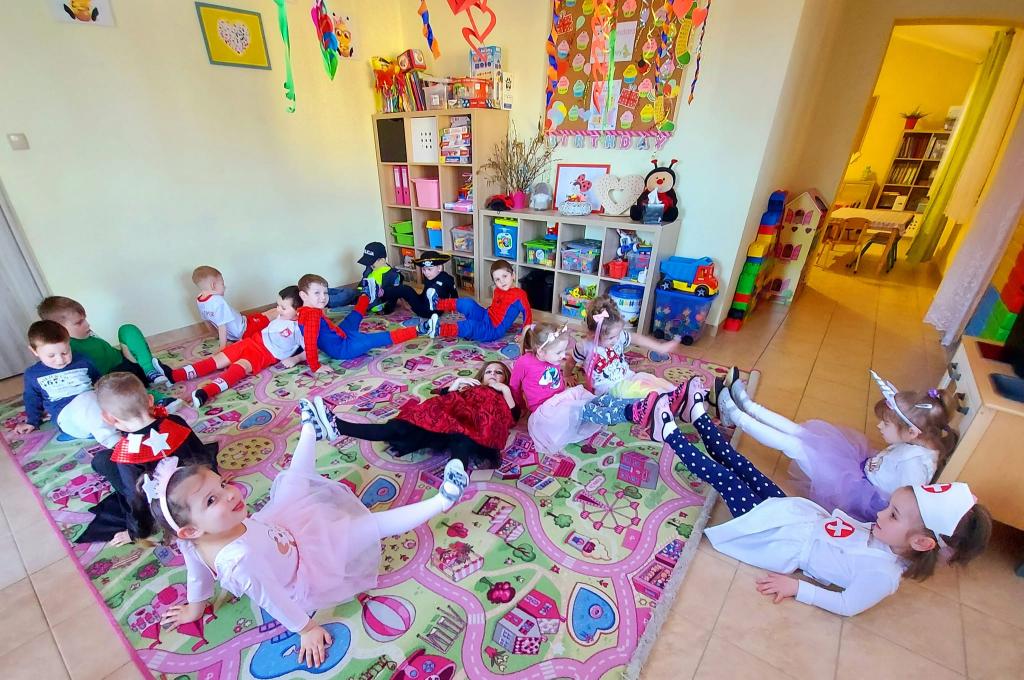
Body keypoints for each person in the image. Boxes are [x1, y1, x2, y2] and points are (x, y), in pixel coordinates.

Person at [154, 398, 470, 669]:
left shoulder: (194, 539)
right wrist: (306, 629)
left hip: (280, 526)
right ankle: (442, 501)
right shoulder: (240, 561)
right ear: (191, 530)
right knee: (369, 527)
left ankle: (311, 429)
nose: (231, 494)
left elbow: (197, 576)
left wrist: (195, 608)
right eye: (212, 501)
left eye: (222, 484)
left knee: (294, 480)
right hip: (305, 566)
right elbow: (273, 599)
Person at [647, 378, 991, 617]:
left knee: (725, 479)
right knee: (743, 467)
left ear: (920, 542)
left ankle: (669, 435)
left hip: (782, 537)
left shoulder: (883, 576)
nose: (879, 514)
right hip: (798, 516)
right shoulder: (889, 536)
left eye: (893, 515)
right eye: (889, 508)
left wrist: (797, 589)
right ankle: (699, 419)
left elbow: (846, 605)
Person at [717, 370, 956, 522]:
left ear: (912, 432)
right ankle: (748, 406)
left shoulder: (916, 467)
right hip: (857, 467)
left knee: (795, 446)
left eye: (886, 424)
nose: (879, 427)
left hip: (855, 491)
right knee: (803, 434)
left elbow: (905, 508)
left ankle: (736, 415)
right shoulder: (917, 442)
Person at [83, 372, 218, 545]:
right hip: (193, 483)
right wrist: (215, 479)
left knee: (102, 461)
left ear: (108, 418)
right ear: (150, 400)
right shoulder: (176, 421)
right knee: (104, 460)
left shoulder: (127, 455)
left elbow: (135, 499)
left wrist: (136, 532)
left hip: (166, 506)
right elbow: (201, 453)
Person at [328, 361, 518, 468]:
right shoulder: (470, 387)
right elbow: (445, 400)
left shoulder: (503, 394)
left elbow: (512, 417)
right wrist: (457, 383)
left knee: (462, 441)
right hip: (448, 418)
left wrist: (505, 390)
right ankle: (338, 426)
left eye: (498, 372)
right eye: (488, 372)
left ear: (505, 378)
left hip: (476, 426)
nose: (493, 375)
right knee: (400, 427)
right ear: (481, 376)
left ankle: (456, 475)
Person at [169, 286, 306, 407]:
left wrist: (296, 359)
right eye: (278, 305)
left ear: (298, 311)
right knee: (218, 359)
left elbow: (310, 349)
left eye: (283, 308)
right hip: (252, 341)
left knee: (239, 367)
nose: (278, 309)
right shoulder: (281, 314)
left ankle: (206, 392)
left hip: (265, 354)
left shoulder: (300, 328)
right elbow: (268, 315)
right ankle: (176, 375)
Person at [295, 274, 437, 373]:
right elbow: (310, 342)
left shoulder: (305, 311)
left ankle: (367, 296)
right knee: (378, 338)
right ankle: (421, 329)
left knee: (352, 318)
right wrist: (316, 366)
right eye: (317, 293)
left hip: (339, 336)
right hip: (343, 348)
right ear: (303, 295)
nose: (323, 297)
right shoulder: (311, 315)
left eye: (325, 293)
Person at [16, 320, 120, 448]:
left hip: (98, 410)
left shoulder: (83, 360)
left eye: (65, 353)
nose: (60, 360)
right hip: (69, 420)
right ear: (34, 351)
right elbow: (32, 399)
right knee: (86, 398)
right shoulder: (33, 374)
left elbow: (99, 381)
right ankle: (113, 441)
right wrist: (32, 421)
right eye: (51, 356)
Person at [37, 295, 172, 387]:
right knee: (126, 392)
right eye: (79, 323)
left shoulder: (86, 332)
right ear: (59, 328)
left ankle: (150, 370)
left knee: (127, 329)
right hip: (115, 377)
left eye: (85, 319)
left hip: (127, 361)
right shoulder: (66, 348)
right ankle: (154, 397)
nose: (87, 324)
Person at [567, 295, 680, 397]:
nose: (616, 339)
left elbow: (636, 338)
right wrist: (567, 375)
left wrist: (659, 347)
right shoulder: (584, 346)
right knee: (642, 392)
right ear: (593, 334)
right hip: (608, 389)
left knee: (647, 378)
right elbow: (571, 362)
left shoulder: (617, 336)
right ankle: (662, 397)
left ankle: (675, 392)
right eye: (611, 338)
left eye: (618, 334)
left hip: (627, 377)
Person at [434, 260, 530, 342]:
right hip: (485, 315)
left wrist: (524, 335)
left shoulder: (520, 295)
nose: (502, 281)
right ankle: (437, 304)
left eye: (505, 276)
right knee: (468, 303)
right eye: (497, 279)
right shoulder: (497, 290)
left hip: (493, 330)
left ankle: (438, 330)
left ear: (513, 275)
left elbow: (527, 314)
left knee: (470, 326)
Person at [191, 265, 271, 350]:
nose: (225, 287)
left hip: (235, 331)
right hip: (244, 329)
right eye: (222, 284)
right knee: (271, 314)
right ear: (213, 285)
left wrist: (214, 334)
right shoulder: (218, 301)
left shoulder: (200, 299)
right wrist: (223, 347)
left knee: (262, 314)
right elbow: (222, 326)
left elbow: (207, 320)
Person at [371, 250, 458, 319]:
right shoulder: (429, 277)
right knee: (404, 289)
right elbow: (423, 295)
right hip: (424, 303)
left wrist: (453, 308)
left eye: (429, 269)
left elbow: (454, 295)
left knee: (405, 290)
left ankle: (380, 294)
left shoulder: (447, 279)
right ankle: (382, 299)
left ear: (439, 268)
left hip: (429, 312)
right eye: (424, 269)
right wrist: (412, 300)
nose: (426, 273)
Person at [327, 241, 402, 313]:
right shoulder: (370, 268)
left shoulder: (393, 275)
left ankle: (324, 300)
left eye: (372, 263)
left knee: (347, 295)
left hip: (372, 299)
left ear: (382, 260)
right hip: (361, 293)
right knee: (346, 291)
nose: (370, 265)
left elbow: (394, 295)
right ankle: (323, 291)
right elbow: (363, 282)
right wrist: (360, 289)